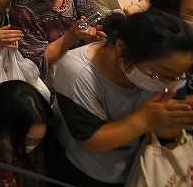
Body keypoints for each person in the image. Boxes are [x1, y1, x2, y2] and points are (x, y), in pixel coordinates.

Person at [52, 11, 193, 185]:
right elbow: (91, 141)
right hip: (93, 172)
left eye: (178, 76)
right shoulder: (79, 73)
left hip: (143, 165)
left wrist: (167, 122)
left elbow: (169, 129)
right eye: (160, 74)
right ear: (121, 49)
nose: (170, 82)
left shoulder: (172, 70)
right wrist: (145, 119)